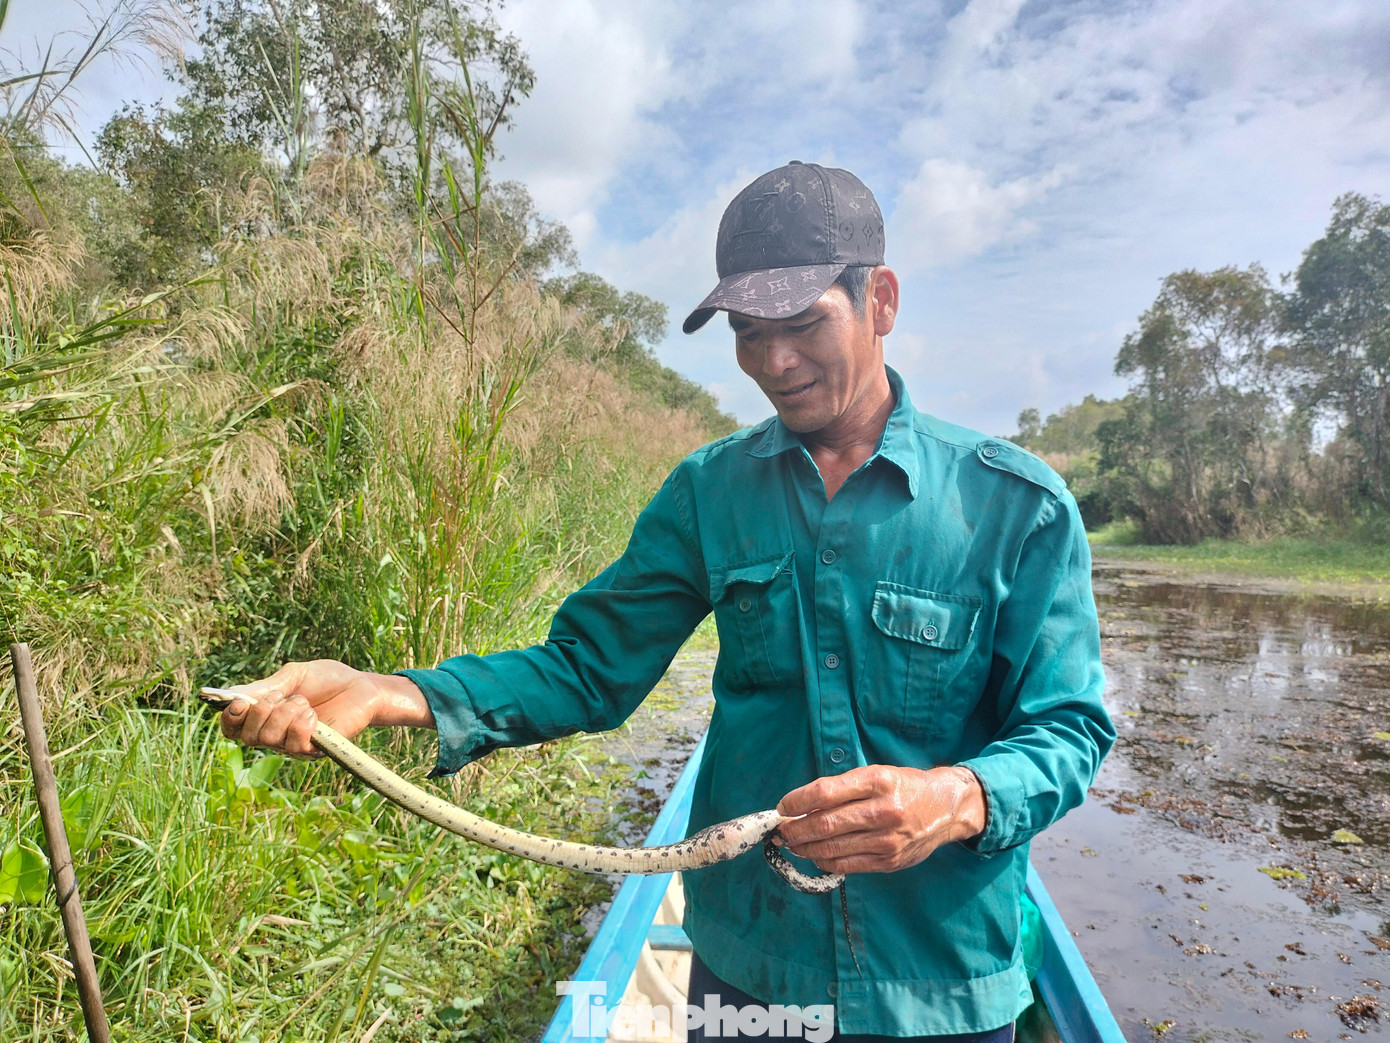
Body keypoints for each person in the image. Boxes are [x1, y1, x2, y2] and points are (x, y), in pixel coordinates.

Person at [219, 161, 1115, 1041]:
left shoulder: (1016, 508)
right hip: (751, 962)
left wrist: (955, 797)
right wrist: (393, 691)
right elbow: (587, 668)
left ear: (880, 299)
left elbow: (1068, 728)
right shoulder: (708, 492)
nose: (773, 360)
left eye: (802, 323)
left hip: (940, 980)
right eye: (748, 332)